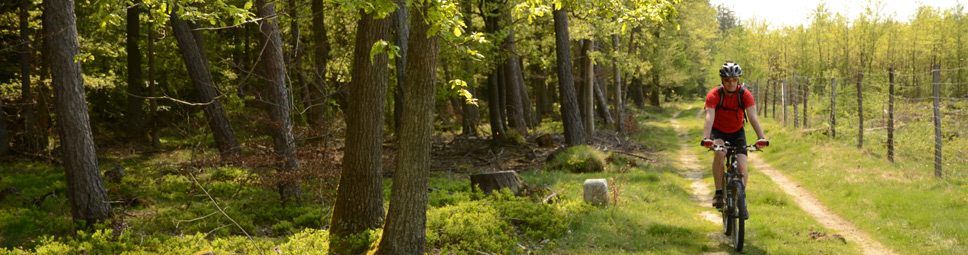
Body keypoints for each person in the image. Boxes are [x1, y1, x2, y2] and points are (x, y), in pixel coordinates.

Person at [701, 61, 768, 209]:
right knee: (720, 153)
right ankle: (719, 193)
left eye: (734, 80)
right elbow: (709, 117)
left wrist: (761, 137)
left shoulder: (745, 94)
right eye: (727, 80)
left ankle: (741, 198)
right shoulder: (714, 95)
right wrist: (706, 138)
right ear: (722, 80)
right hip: (718, 131)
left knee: (742, 166)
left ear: (738, 80)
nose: (731, 83)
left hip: (737, 132)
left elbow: (752, 117)